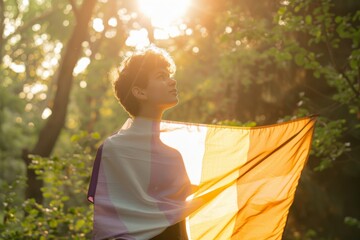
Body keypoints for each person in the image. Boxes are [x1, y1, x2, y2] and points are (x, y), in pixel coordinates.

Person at [88, 47, 192, 239]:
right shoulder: (113, 150)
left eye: (169, 75)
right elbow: (107, 220)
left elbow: (179, 222)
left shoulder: (174, 157)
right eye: (161, 76)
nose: (172, 81)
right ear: (140, 92)